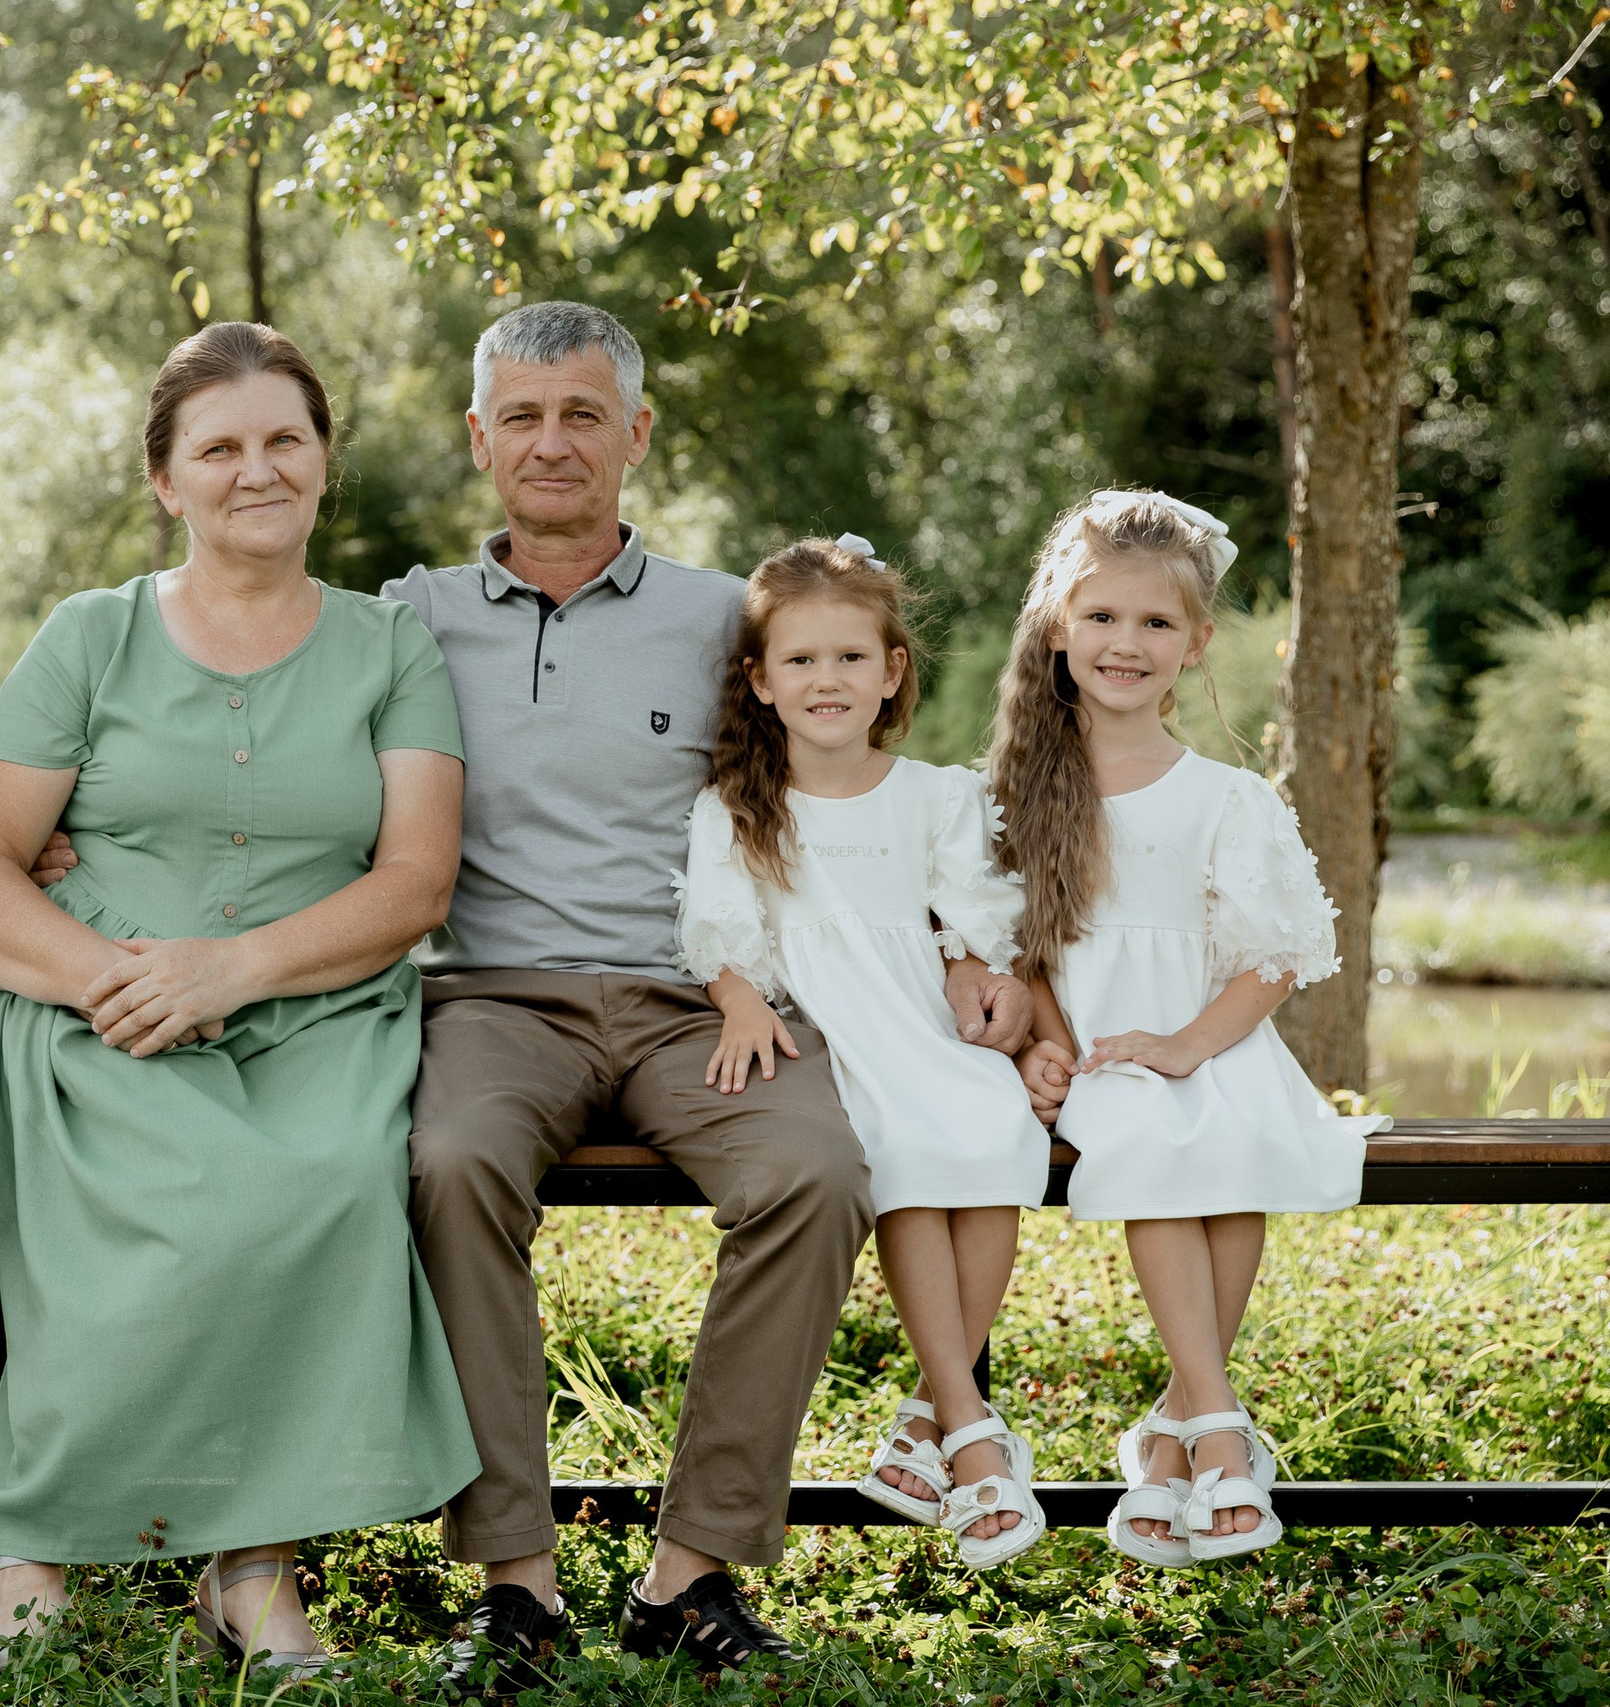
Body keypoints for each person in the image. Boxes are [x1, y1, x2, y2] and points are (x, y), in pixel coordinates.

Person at [384, 301, 1030, 1685]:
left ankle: (692, 1570)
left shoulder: (724, 614)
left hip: (712, 997)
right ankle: (518, 1580)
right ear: (480, 433)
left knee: (814, 1164)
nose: (552, 441)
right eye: (524, 413)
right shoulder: (406, 617)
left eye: (582, 412)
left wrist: (970, 945)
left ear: (637, 432)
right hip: (497, 999)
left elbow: (859, 783)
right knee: (445, 1157)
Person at [0, 320, 480, 1675]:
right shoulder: (92, 637)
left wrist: (229, 967)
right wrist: (119, 979)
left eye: (284, 438)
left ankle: (251, 1565)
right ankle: (20, 1531)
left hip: (319, 1011)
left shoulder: (387, 646)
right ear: (165, 480)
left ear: (324, 462)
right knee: (191, 1197)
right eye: (219, 446)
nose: (257, 468)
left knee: (319, 1182)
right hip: (102, 1006)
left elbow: (415, 880)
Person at [994, 490, 1388, 1567]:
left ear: (1196, 643)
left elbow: (1274, 957)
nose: (1127, 644)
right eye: (1104, 619)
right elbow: (1009, 949)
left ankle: (1181, 1429)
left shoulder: (1225, 797)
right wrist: (1045, 1038)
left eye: (1156, 624)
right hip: (1096, 1047)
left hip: (1210, 1034)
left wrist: (1188, 1044)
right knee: (1152, 1133)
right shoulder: (1018, 789)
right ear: (1059, 628)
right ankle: (1213, 1429)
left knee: (1226, 1142)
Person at [673, 535, 1052, 1571]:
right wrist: (738, 999)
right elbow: (717, 929)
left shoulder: (937, 793)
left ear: (892, 672)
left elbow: (973, 922)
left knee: (988, 1130)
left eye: (850, 658)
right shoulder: (739, 807)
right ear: (758, 680)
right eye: (798, 661)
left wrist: (983, 973)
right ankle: (969, 1438)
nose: (825, 680)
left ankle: (930, 1419)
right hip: (823, 1034)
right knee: (902, 1153)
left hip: (916, 1019)